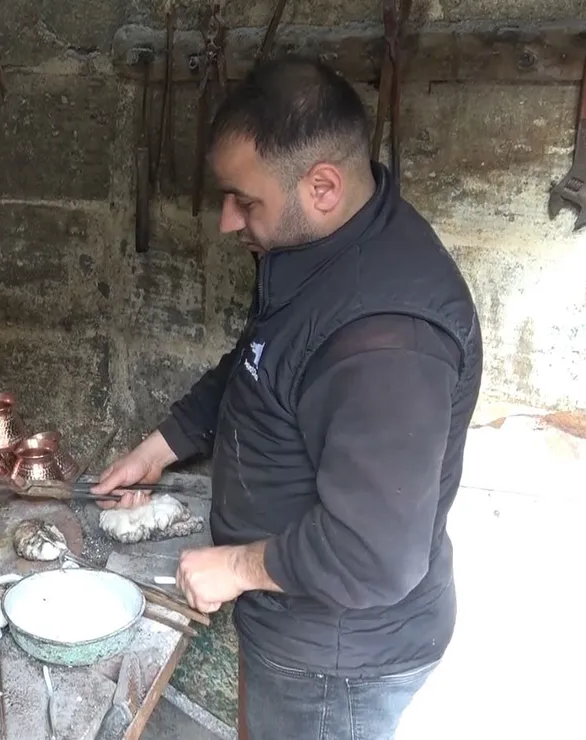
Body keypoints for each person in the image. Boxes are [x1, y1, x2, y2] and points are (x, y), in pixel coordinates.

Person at [92, 58, 482, 740]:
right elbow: (260, 360)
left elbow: (374, 555)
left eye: (245, 200)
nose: (225, 221)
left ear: (322, 186)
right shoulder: (325, 250)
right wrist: (163, 445)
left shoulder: (387, 342)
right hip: (293, 619)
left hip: (338, 661)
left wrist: (238, 566)